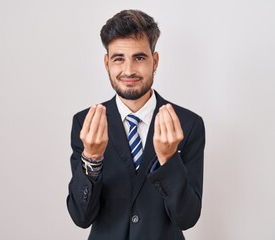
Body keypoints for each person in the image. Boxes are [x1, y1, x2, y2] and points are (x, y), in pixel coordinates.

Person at [66, 9, 205, 240]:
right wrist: (91, 158)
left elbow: (187, 218)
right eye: (118, 58)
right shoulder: (85, 123)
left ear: (155, 61)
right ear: (106, 63)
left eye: (139, 58)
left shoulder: (188, 124)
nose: (128, 70)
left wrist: (169, 161)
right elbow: (81, 217)